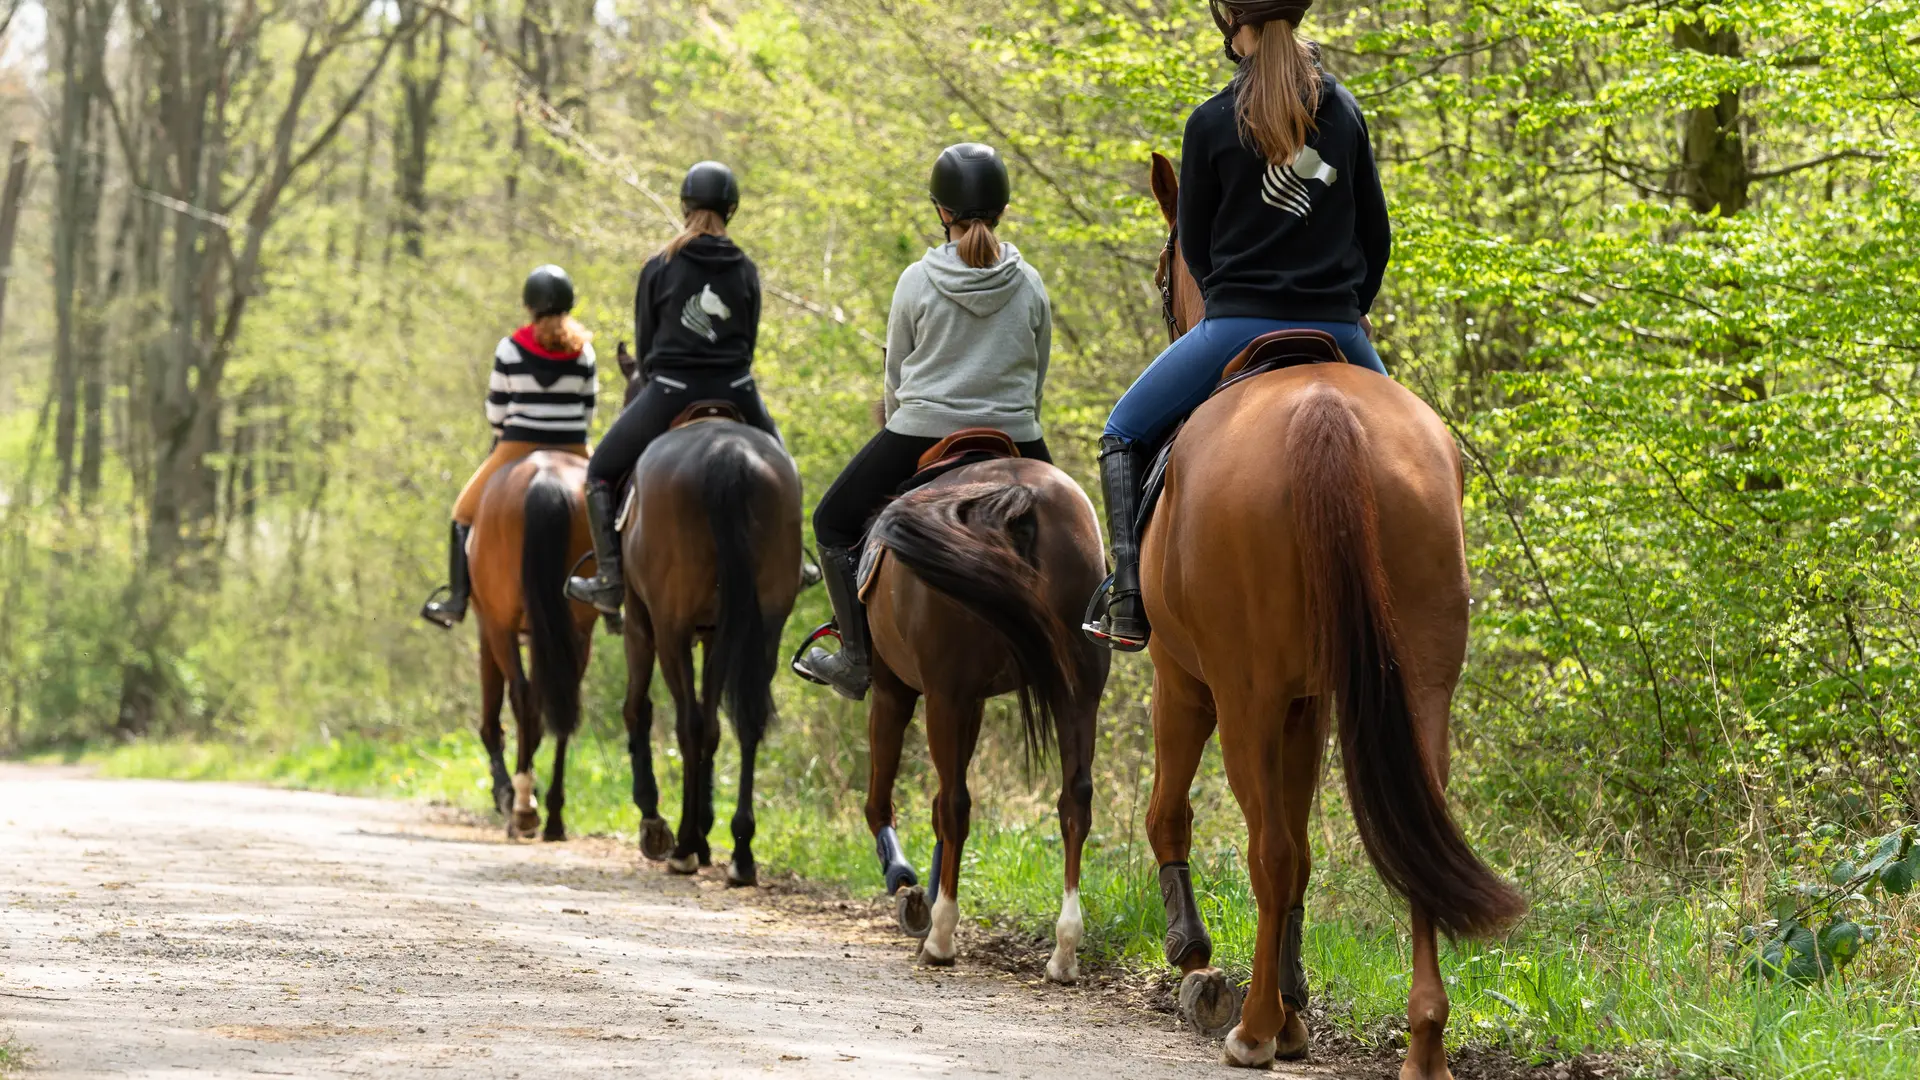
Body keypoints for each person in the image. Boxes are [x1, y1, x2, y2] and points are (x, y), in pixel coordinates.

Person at [1084, 0, 1391, 652]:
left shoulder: (1210, 121)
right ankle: (1437, 591)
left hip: (1233, 326)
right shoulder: (1344, 112)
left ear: (1233, 25)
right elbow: (1377, 235)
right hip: (1340, 330)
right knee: (1427, 454)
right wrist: (1350, 304)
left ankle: (1130, 601)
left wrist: (1232, 296)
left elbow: (1194, 248)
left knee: (1122, 431)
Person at [794, 142, 1055, 700]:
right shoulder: (1029, 281)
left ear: (942, 211)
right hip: (1015, 433)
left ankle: (855, 656)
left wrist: (900, 416)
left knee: (832, 522)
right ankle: (1089, 634)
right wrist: (1013, 415)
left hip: (918, 430)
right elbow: (1038, 372)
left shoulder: (917, 279)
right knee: (1076, 532)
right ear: (1003, 207)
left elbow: (895, 373)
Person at [566, 161, 785, 615]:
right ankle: (792, 564)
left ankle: (609, 580)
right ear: (732, 209)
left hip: (670, 389)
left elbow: (645, 346)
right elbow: (750, 341)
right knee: (785, 472)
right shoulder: (745, 267)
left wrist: (660, 372)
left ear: (684, 206)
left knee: (600, 473)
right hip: (736, 388)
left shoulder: (659, 265)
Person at [421, 265, 598, 628]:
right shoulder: (585, 352)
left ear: (529, 306)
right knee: (611, 512)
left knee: (462, 513)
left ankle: (456, 600)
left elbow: (496, 410)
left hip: (517, 445)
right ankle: (614, 595)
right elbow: (588, 411)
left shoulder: (510, 349)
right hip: (574, 448)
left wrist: (508, 430)